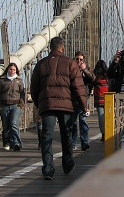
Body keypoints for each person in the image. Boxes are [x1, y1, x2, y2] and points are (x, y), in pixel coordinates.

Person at [30, 36, 87, 180]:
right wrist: (83, 105)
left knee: (47, 136)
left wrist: (39, 103)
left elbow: (34, 88)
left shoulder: (41, 64)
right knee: (66, 134)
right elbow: (78, 87)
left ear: (50, 48)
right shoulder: (70, 63)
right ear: (62, 48)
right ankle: (67, 163)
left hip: (47, 104)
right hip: (66, 105)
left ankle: (48, 168)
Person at [0, 62, 25, 151]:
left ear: (16, 71)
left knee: (14, 123)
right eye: (11, 69)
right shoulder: (2, 80)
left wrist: (20, 105)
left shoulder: (19, 81)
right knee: (6, 126)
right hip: (4, 106)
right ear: (7, 70)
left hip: (16, 106)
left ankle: (16, 143)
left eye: (14, 70)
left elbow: (22, 94)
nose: (12, 71)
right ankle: (7, 142)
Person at [71, 51, 94, 151]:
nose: (79, 61)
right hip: (73, 98)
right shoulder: (70, 69)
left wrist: (84, 70)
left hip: (83, 99)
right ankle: (73, 142)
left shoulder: (86, 69)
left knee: (83, 120)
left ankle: (84, 142)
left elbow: (92, 79)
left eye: (81, 59)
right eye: (77, 59)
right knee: (73, 122)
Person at [92, 60, 109, 140]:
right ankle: (109, 131)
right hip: (108, 98)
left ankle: (103, 133)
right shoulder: (107, 77)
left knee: (101, 117)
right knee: (107, 116)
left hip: (99, 99)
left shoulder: (95, 77)